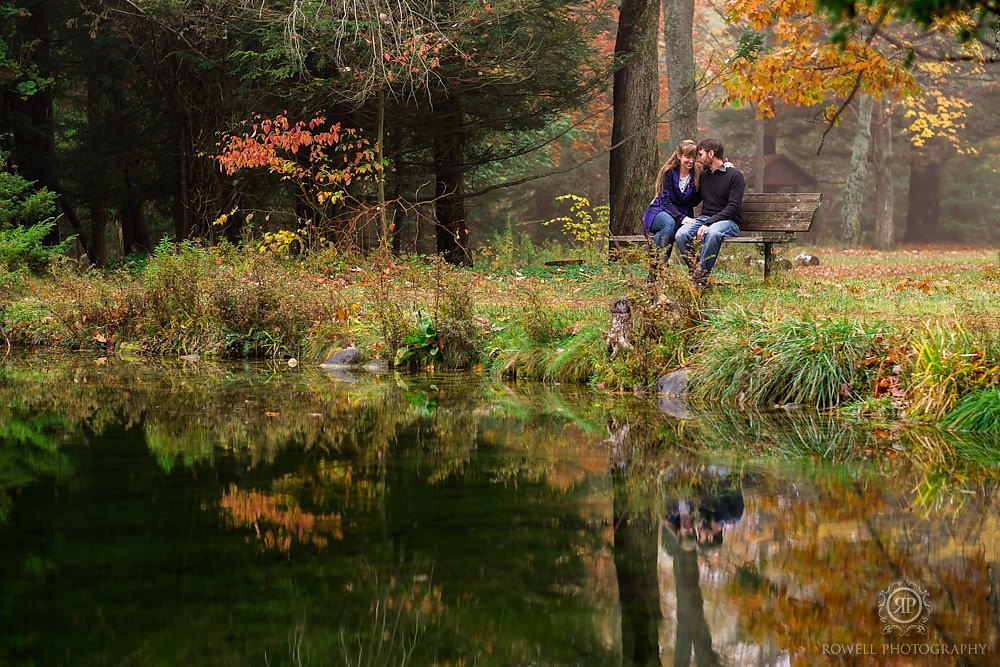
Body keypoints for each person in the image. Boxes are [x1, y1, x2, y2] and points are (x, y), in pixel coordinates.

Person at [674, 138, 745, 289]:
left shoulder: (734, 176)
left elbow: (733, 207)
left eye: (700, 155)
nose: (697, 159)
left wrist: (709, 223)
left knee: (712, 233)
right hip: (705, 219)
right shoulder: (704, 176)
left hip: (729, 221)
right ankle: (697, 271)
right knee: (681, 235)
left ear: (711, 154)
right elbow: (693, 200)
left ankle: (700, 279)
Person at [641, 140, 702, 278]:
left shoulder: (697, 173)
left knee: (664, 232)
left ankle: (654, 275)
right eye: (687, 157)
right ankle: (661, 268)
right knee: (668, 224)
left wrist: (726, 167)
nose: (691, 161)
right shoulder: (669, 172)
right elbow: (665, 200)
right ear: (679, 155)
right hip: (659, 210)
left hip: (681, 214)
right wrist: (682, 218)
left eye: (694, 157)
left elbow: (701, 193)